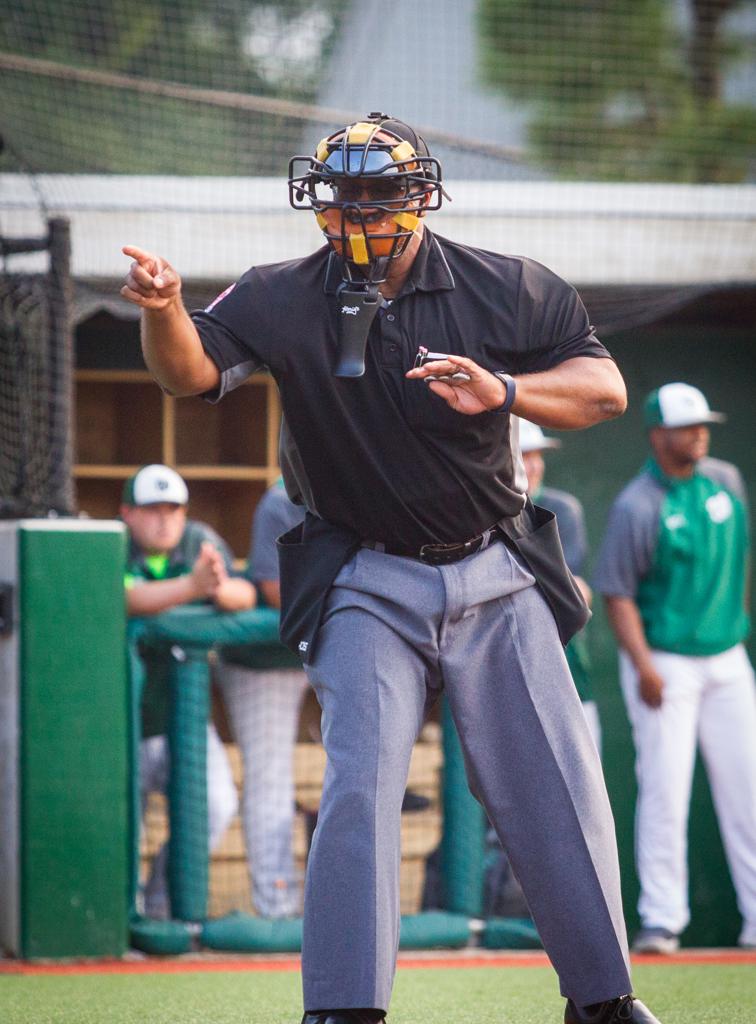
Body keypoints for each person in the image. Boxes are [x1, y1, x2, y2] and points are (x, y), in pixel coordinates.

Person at [120, 112, 660, 1024]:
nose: (359, 208)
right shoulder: (279, 293)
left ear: (420, 194)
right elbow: (187, 377)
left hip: (495, 568)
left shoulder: (506, 285)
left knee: (557, 786)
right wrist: (167, 308)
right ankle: (345, 1008)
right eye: (343, 192)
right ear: (319, 198)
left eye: (378, 190)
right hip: (365, 575)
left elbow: (605, 391)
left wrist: (508, 392)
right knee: (361, 784)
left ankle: (604, 1000)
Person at [594, 382, 756, 955]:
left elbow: (738, 558)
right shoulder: (638, 504)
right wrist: (644, 667)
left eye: (703, 424)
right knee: (666, 790)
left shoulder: (728, 480)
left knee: (749, 789)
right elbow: (617, 595)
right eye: (688, 426)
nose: (700, 433)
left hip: (727, 659)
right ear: (659, 435)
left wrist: (731, 622)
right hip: (664, 664)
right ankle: (662, 921)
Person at [122, 463, 255, 919]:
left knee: (216, 806)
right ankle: (125, 914)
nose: (164, 519)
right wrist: (191, 587)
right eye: (152, 509)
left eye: (172, 509)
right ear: (128, 513)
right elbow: (126, 598)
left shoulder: (198, 538)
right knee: (123, 829)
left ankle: (159, 900)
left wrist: (217, 588)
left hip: (184, 722)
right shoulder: (114, 543)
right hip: (124, 722)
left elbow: (246, 595)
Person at [218, 478, 308, 918]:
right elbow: (274, 589)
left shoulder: (368, 478)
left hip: (335, 647)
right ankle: (277, 906)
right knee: (271, 777)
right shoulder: (282, 499)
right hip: (266, 659)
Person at [518, 417, 601, 754]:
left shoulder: (562, 508)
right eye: (524, 455)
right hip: (505, 678)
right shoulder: (478, 514)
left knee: (584, 778)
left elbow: (576, 595)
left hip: (566, 668)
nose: (534, 465)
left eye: (537, 455)